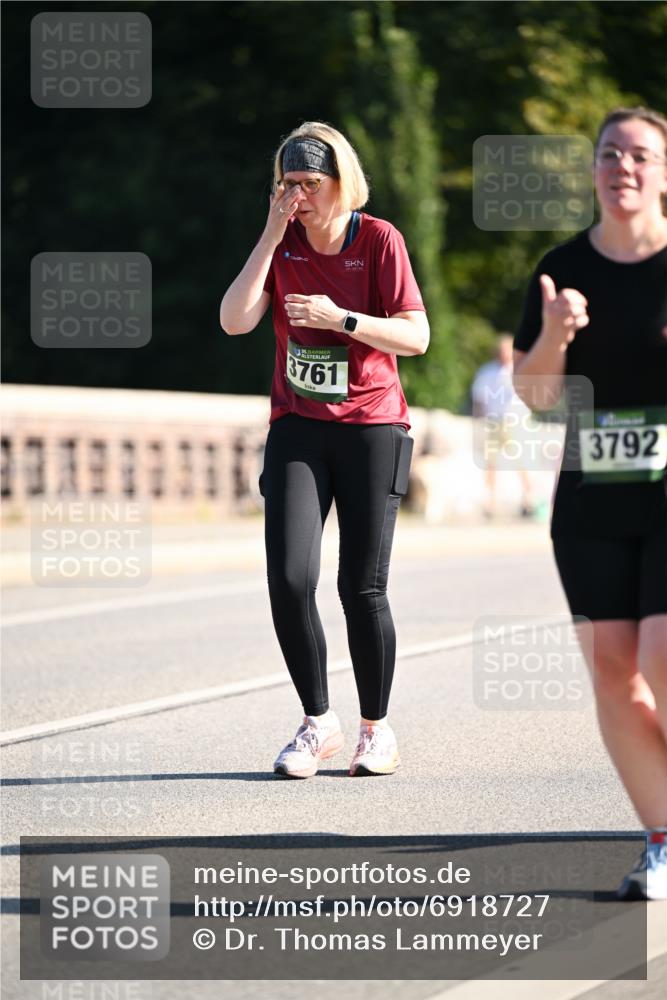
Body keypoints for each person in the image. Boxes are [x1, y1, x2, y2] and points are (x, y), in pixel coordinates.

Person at [220, 122, 429, 778]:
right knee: (288, 577)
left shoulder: (378, 239)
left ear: (342, 183)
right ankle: (317, 723)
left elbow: (416, 335)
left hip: (371, 427)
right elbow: (234, 319)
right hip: (298, 429)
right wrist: (269, 234)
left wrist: (341, 318)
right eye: (287, 184)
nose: (298, 195)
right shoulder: (279, 248)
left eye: (309, 184)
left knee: (360, 587)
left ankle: (376, 728)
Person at [513, 107, 667, 899]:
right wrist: (556, 334)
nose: (622, 167)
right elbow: (535, 395)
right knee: (613, 672)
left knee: (660, 657)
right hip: (592, 489)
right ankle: (662, 838)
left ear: (664, 173)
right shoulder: (561, 267)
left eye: (640, 154)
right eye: (609, 154)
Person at [471, 334, 534, 518]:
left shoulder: (518, 369)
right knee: (491, 463)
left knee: (521, 461)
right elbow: (479, 399)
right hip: (493, 421)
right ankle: (490, 502)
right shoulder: (487, 371)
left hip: (514, 420)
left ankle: (528, 498)